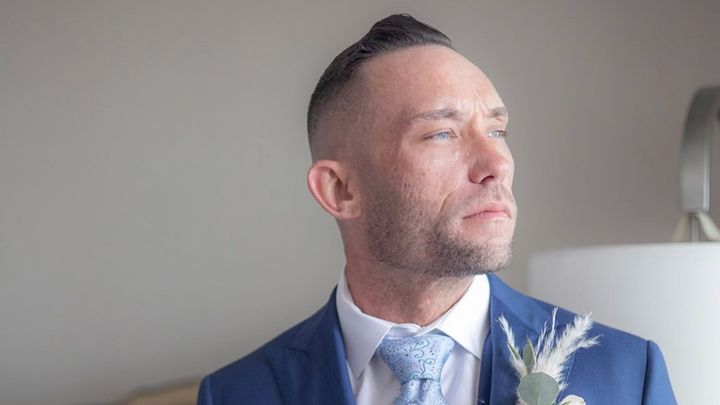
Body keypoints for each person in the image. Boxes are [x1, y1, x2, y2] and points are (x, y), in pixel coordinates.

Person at [198, 14, 676, 405]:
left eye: (497, 130)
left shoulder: (627, 376)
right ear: (340, 189)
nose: (496, 164)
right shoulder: (235, 395)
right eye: (441, 134)